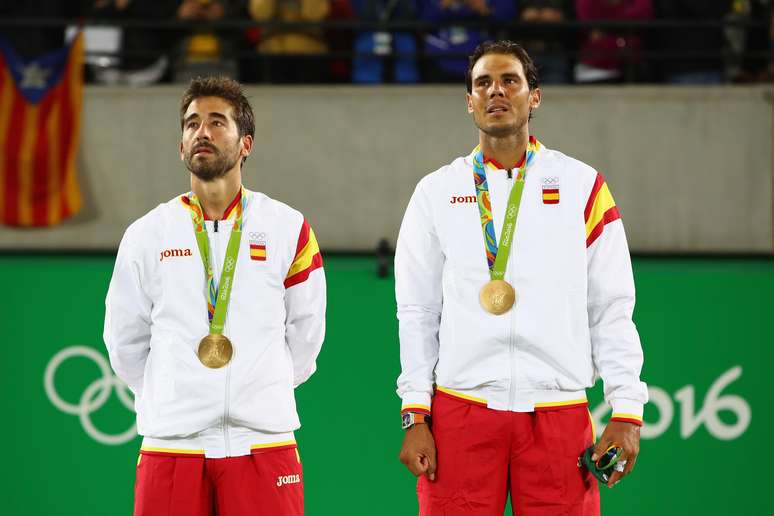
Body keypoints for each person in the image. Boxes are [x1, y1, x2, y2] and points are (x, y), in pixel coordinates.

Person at [395, 40, 647, 515]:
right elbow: (417, 311)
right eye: (483, 83)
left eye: (510, 80)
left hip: (558, 411)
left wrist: (627, 409)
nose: (496, 91)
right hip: (461, 410)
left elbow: (612, 305)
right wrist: (415, 412)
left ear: (535, 97)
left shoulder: (581, 186)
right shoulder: (436, 192)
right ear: (469, 101)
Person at [104, 76, 326, 516]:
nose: (201, 132)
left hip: (263, 444)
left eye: (217, 122)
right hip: (171, 446)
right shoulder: (146, 234)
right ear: (180, 147)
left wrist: (260, 386)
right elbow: (123, 340)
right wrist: (172, 393)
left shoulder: (288, 228)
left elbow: (307, 334)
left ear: (246, 144)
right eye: (192, 124)